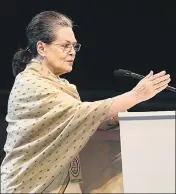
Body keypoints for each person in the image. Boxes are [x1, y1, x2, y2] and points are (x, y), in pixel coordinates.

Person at [0, 10, 171, 193]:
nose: (72, 52)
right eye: (65, 45)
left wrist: (118, 126)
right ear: (42, 48)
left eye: (74, 46)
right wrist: (136, 95)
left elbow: (80, 126)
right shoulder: (31, 84)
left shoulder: (62, 86)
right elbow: (82, 114)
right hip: (31, 186)